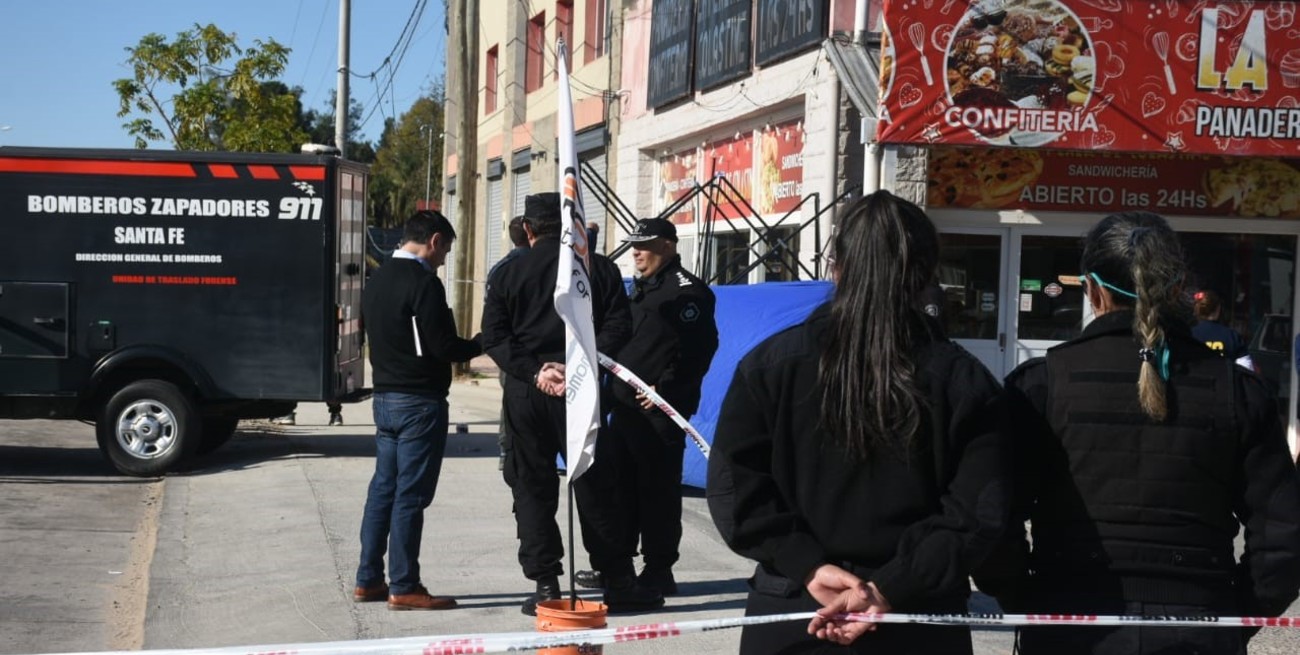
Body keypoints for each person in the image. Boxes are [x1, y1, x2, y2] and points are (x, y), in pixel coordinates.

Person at [979, 211, 1300, 654]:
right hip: (1194, 628)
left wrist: (1029, 600)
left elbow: (991, 521)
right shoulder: (1237, 391)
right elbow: (1284, 534)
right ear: (1177, 287)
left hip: (1072, 626)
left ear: (1090, 289)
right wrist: (1228, 617)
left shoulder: (1040, 385)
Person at [707, 191, 1011, 654]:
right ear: (927, 274)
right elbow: (978, 512)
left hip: (797, 611)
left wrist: (807, 565)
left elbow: (735, 490)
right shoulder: (963, 379)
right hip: (909, 617)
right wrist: (882, 583)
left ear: (836, 265)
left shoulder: (770, 365)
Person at [481, 192, 663, 615]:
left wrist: (535, 371)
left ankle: (546, 584)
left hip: (529, 392)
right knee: (597, 484)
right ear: (573, 227)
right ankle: (617, 578)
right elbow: (620, 325)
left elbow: (495, 337)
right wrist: (576, 363)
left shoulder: (508, 272)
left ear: (527, 230)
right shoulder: (596, 268)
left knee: (533, 486)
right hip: (579, 388)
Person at [575, 218, 718, 596]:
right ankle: (618, 567)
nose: (637, 252)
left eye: (646, 245)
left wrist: (664, 388)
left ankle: (658, 570)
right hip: (625, 409)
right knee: (621, 490)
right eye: (634, 245)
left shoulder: (688, 293)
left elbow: (699, 351)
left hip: (659, 412)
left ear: (668, 246)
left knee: (657, 494)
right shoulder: (641, 289)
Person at [353, 210, 482, 611]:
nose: (444, 260)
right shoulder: (423, 283)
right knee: (410, 495)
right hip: (419, 403)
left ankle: (368, 578)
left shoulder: (376, 281)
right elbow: (442, 346)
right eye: (445, 251)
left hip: (386, 398)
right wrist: (481, 344)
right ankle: (405, 584)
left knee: (382, 491)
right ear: (435, 241)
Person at [490, 216, 532, 471]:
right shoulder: (535, 266)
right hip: (529, 350)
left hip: (509, 351)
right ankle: (512, 452)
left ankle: (507, 452)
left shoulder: (500, 268)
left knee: (510, 402)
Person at [1191, 289, 1254, 370]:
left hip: (1193, 382)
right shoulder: (1231, 336)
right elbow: (1247, 368)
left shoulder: (1189, 335)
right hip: (1225, 382)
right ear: (1218, 308)